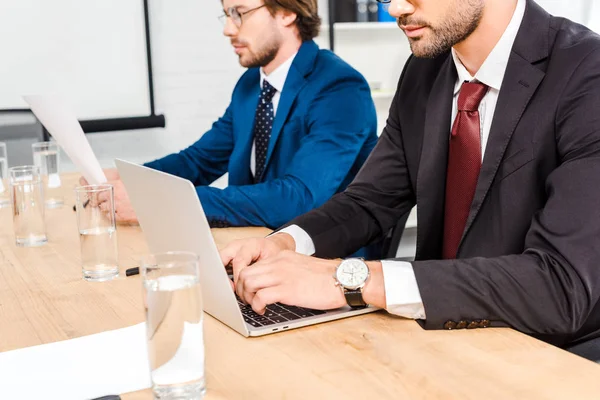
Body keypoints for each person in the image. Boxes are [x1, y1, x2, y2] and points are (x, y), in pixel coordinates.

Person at [220, 0, 600, 351]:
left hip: (549, 353)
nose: (397, 8)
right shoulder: (425, 68)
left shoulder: (587, 73)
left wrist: (352, 281)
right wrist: (286, 243)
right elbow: (369, 202)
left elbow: (560, 286)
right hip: (437, 336)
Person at [83, 0, 378, 229]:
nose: (228, 29)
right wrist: (129, 179)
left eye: (239, 13)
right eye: (226, 14)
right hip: (252, 242)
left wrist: (163, 202)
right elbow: (199, 161)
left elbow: (299, 197)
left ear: (287, 12)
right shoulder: (252, 84)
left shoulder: (339, 88)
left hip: (321, 261)